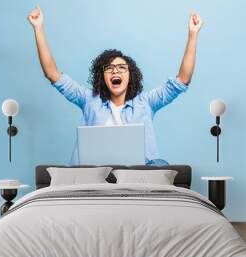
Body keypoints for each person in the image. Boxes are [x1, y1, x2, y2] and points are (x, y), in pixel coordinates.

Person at [28, 6, 203, 165]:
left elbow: (182, 80)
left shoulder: (146, 102)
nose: (115, 72)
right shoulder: (89, 100)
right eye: (109, 69)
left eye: (121, 68)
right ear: (102, 77)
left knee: (159, 168)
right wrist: (38, 28)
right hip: (94, 173)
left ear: (130, 76)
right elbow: (52, 74)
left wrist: (193, 34)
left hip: (138, 174)